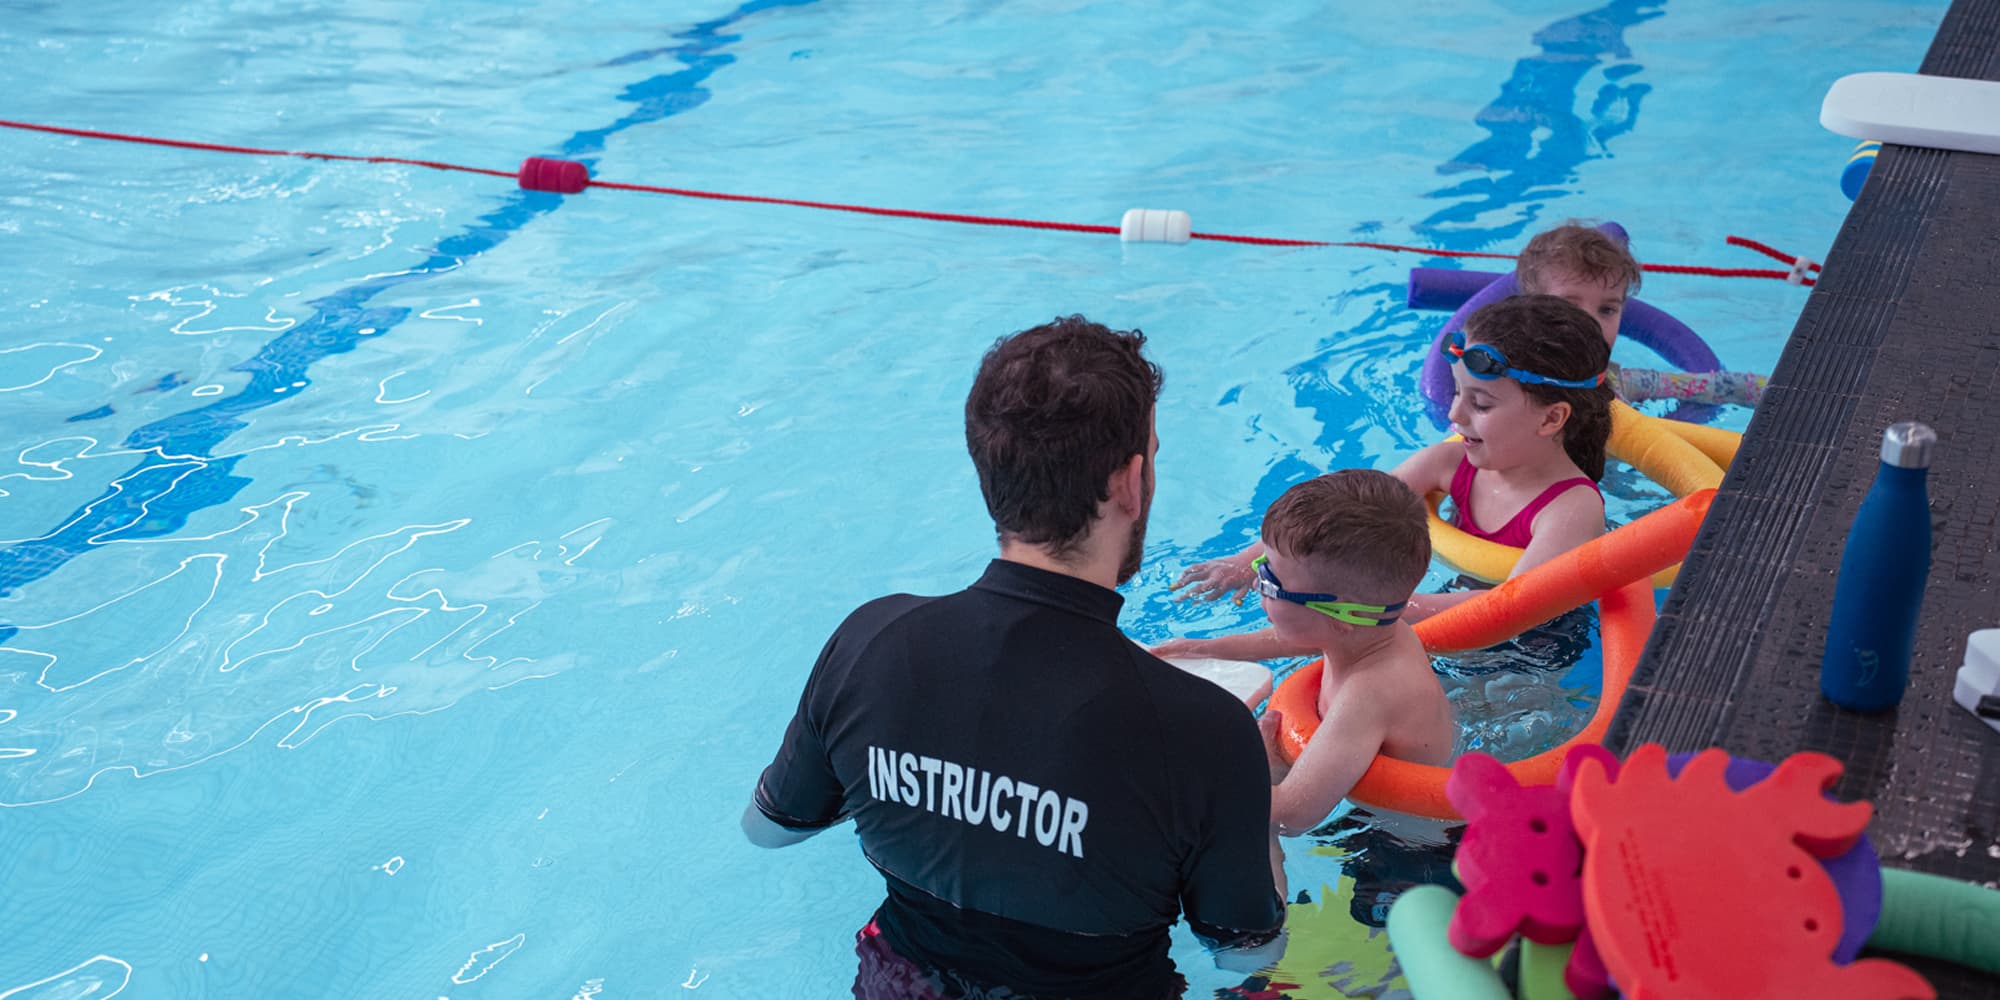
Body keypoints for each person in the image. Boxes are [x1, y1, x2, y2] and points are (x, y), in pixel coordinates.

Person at [744, 315, 1285, 998]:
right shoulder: (1203, 729)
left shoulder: (870, 642)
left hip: (899, 979)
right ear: (1129, 482)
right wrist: (1254, 802)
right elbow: (1245, 956)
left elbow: (771, 830)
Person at [1174, 295, 1613, 623]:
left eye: (1480, 404)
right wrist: (1248, 561)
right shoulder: (1449, 463)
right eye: (1457, 393)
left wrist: (1370, 612)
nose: (1454, 414)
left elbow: (1513, 608)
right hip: (1438, 618)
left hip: (1531, 658)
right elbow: (1343, 510)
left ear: (1551, 418)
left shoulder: (1571, 507)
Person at [1151, 471, 1453, 852]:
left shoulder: (1369, 695)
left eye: (1270, 581)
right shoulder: (1370, 634)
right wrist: (1205, 648)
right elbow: (1300, 639)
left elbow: (1292, 816)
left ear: (1345, 616)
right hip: (1380, 806)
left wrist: (1236, 767)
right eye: (1262, 564)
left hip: (1408, 844)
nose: (1256, 580)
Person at [1516, 221, 1767, 408]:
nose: (1590, 323)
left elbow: (1723, 387)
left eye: (1607, 310)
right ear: (1531, 310)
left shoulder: (1619, 384)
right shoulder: (1504, 384)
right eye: (1569, 305)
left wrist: (1785, 392)